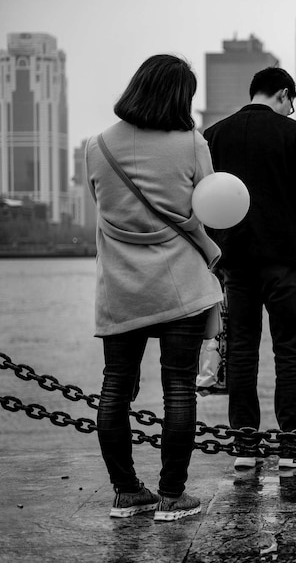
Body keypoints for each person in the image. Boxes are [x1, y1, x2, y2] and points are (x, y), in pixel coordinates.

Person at [86, 54, 223, 521]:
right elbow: (209, 206)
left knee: (114, 389)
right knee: (179, 388)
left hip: (121, 288)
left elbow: (106, 210)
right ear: (179, 96)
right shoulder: (191, 143)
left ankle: (125, 493)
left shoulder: (96, 145)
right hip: (179, 285)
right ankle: (171, 497)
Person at [203, 67, 296, 471]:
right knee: (288, 350)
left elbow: (206, 197)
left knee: (241, 351)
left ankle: (244, 448)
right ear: (284, 93)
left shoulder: (215, 134)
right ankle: (293, 448)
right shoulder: (292, 132)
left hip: (234, 259)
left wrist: (214, 252)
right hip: (284, 258)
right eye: (292, 102)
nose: (292, 110)